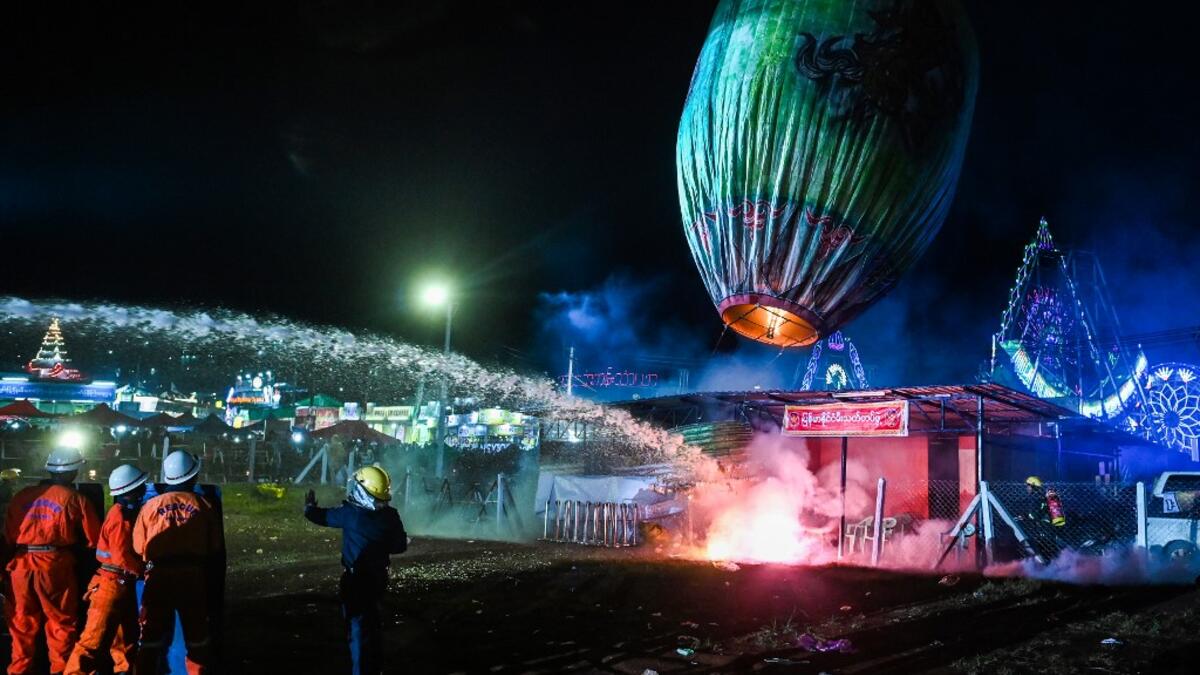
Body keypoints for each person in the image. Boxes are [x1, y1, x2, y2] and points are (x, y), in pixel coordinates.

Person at [4, 446, 102, 675]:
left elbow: (7, 536)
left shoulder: (22, 496)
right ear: (72, 472)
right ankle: (61, 670)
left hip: (20, 566)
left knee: (21, 624)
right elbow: (94, 539)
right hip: (54, 567)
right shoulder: (76, 498)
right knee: (61, 624)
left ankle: (19, 670)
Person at [304, 465, 407, 675]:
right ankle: (375, 668)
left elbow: (320, 517)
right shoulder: (391, 516)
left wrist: (309, 507)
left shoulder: (351, 514)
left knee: (358, 630)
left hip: (356, 581)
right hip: (379, 578)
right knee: (373, 625)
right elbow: (400, 546)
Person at [133, 450, 222, 675]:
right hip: (191, 576)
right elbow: (215, 547)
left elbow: (138, 547)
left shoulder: (150, 506)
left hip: (158, 576)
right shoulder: (204, 505)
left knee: (150, 635)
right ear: (193, 475)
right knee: (196, 636)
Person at [64, 464, 149, 675]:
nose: (144, 490)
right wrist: (145, 569)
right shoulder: (120, 518)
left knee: (126, 639)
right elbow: (122, 558)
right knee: (92, 642)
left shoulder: (122, 513)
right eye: (140, 487)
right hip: (112, 584)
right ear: (130, 491)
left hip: (119, 583)